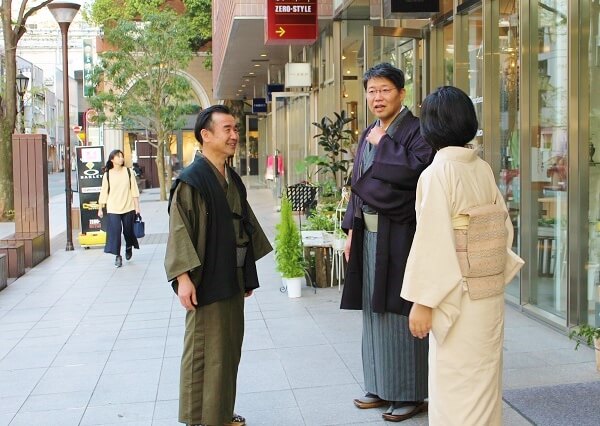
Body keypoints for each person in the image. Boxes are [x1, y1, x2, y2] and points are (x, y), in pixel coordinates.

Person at [400, 86, 524, 426]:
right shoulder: (481, 168)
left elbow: (433, 240)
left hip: (457, 297)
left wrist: (423, 302)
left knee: (454, 385)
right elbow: (504, 229)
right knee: (483, 380)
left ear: (430, 127)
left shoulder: (437, 173)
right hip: (488, 293)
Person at [164, 105, 272, 426]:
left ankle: (220, 413)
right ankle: (199, 417)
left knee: (228, 350)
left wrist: (247, 273)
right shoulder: (191, 180)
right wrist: (183, 277)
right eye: (227, 129)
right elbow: (179, 229)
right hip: (206, 279)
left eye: (236, 129)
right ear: (205, 135)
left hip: (232, 276)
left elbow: (245, 227)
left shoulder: (231, 177)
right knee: (203, 350)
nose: (234, 135)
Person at [341, 63, 434, 422]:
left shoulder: (417, 131)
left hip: (400, 234)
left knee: (397, 309)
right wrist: (351, 230)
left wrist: (388, 145)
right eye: (371, 91)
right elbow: (357, 185)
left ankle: (409, 392)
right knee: (372, 309)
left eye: (384, 90)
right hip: (368, 234)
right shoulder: (369, 131)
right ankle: (379, 384)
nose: (377, 97)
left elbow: (418, 173)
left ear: (401, 92)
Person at [98, 149, 140, 268]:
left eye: (122, 156)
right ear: (112, 159)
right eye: (118, 157)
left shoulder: (128, 172)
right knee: (115, 233)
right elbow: (104, 192)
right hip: (113, 208)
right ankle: (117, 256)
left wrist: (137, 206)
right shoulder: (107, 175)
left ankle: (128, 246)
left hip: (128, 207)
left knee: (128, 231)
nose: (121, 158)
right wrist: (100, 208)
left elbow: (134, 190)